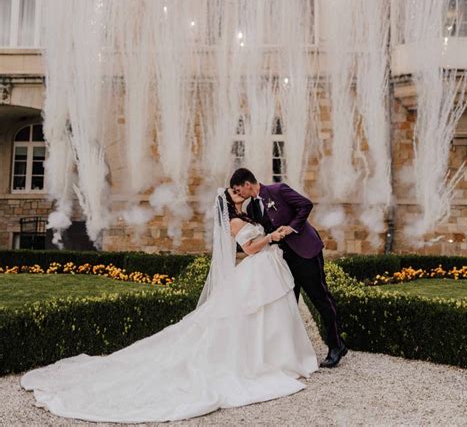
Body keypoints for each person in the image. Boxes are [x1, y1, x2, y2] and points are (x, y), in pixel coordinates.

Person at [20, 187, 318, 423]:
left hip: (263, 268)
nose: (239, 193)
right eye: (234, 192)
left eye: (239, 190)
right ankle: (266, 360)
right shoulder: (236, 220)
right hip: (257, 265)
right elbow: (250, 248)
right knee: (253, 315)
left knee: (261, 315)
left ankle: (274, 355)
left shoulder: (249, 213)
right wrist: (272, 237)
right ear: (228, 202)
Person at [230, 168, 347, 368]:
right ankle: (291, 353)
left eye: (238, 189)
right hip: (282, 261)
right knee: (288, 305)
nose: (238, 193)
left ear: (247, 184)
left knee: (320, 299)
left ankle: (336, 345)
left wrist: (291, 227)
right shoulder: (252, 208)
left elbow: (306, 205)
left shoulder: (278, 190)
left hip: (306, 254)